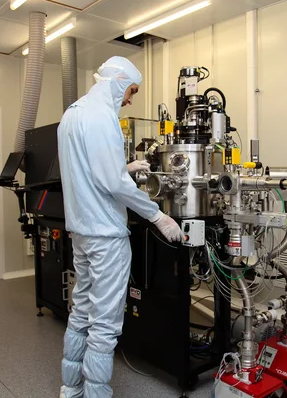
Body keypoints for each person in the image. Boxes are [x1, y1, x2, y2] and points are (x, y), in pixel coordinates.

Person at [57, 56, 182, 398]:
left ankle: (71, 390)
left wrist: (123, 166)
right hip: (106, 236)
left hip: (81, 232)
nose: (130, 99)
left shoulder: (72, 114)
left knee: (81, 309)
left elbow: (84, 171)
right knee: (105, 324)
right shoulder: (102, 117)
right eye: (131, 90)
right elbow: (112, 183)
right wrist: (158, 215)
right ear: (118, 82)